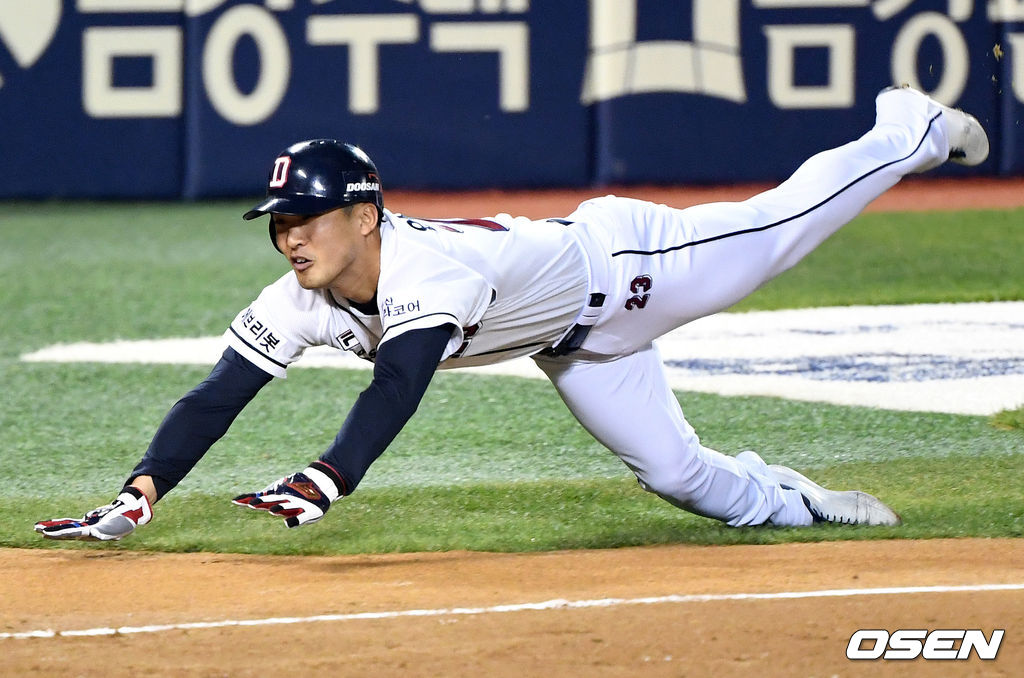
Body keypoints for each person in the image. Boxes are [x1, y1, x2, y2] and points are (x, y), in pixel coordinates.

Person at [35, 85, 988, 541]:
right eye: (279, 222)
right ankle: (794, 501)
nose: (289, 238)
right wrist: (143, 487)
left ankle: (905, 130)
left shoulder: (426, 271)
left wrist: (328, 476)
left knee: (781, 225)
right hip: (577, 347)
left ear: (363, 217)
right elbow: (218, 395)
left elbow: (398, 385)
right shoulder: (301, 297)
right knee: (680, 477)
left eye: (305, 219)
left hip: (629, 268)